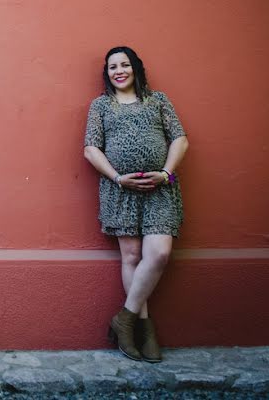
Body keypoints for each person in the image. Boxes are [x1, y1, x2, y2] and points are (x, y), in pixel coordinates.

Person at [83, 46, 189, 363]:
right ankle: (144, 329)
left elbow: (180, 139)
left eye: (125, 64)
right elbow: (91, 149)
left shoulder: (158, 100)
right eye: (113, 66)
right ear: (107, 73)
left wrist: (167, 173)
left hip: (159, 189)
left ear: (135, 68)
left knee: (159, 253)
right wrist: (118, 178)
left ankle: (124, 319)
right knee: (130, 255)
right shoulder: (101, 106)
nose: (119, 70)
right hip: (120, 190)